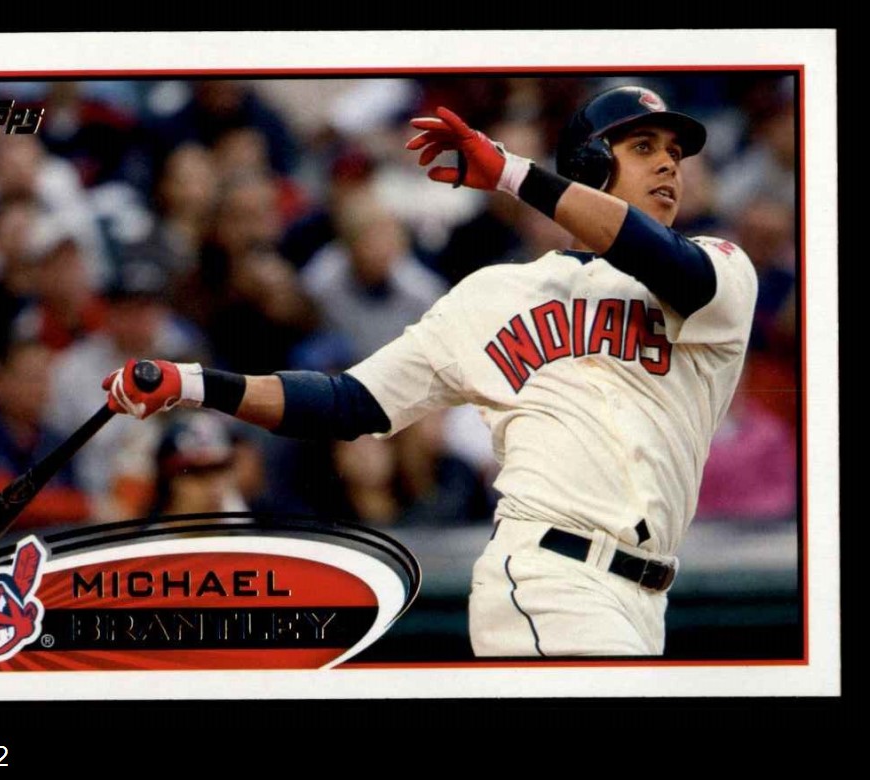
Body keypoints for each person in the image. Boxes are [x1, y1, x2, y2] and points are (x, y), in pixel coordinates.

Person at [101, 86, 759, 657]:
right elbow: (350, 401)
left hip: (646, 598)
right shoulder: (495, 294)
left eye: (675, 152)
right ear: (587, 165)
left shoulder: (722, 269)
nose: (669, 163)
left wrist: (512, 174)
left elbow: (667, 263)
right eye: (643, 147)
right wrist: (195, 384)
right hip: (548, 577)